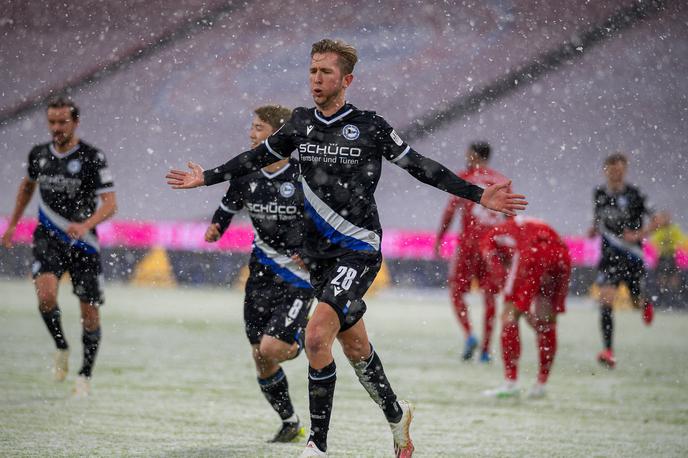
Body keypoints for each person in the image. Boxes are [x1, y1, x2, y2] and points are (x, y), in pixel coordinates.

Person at [166, 38, 527, 457]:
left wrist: (477, 195)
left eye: (326, 73)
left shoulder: (371, 126)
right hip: (318, 256)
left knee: (317, 337)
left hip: (358, 250)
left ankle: (317, 446)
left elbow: (421, 166)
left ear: (347, 79)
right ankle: (396, 413)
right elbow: (252, 159)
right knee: (355, 347)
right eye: (312, 71)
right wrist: (206, 177)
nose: (316, 80)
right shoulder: (300, 124)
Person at [204, 105, 313, 442]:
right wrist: (216, 227)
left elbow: (325, 219)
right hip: (262, 271)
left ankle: (305, 339)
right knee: (259, 355)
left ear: (278, 135)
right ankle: (290, 421)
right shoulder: (247, 171)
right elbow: (228, 205)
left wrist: (312, 250)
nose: (251, 135)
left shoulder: (304, 174)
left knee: (271, 348)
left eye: (259, 128)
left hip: (298, 276)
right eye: (251, 128)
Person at [1, 97, 117, 397]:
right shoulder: (39, 155)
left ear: (75, 122)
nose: (56, 128)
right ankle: (61, 346)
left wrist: (86, 224)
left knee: (89, 314)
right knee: (45, 297)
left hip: (83, 244)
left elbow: (111, 204)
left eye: (62, 122)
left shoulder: (92, 157)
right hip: (49, 238)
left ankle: (85, 376)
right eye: (52, 122)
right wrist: (13, 223)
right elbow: (27, 186)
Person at [479, 216, 571, 399]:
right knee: (546, 321)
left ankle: (511, 382)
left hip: (533, 253)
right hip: (561, 254)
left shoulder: (491, 236)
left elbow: (499, 273)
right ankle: (541, 384)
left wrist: (518, 305)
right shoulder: (526, 224)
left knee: (508, 316)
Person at [434, 141, 507, 362]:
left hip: (469, 244)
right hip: (492, 246)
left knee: (456, 290)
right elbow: (511, 216)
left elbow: (450, 212)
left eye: (468, 154)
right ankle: (485, 350)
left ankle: (469, 334)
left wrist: (440, 239)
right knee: (490, 297)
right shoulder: (502, 181)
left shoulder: (464, 177)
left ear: (474, 155)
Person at [589, 153, 654, 369]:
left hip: (632, 257)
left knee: (635, 302)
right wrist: (593, 228)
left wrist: (639, 234)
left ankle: (645, 304)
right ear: (605, 170)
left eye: (620, 170)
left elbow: (659, 218)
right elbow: (599, 219)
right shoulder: (599, 193)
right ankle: (608, 350)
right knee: (605, 301)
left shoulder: (635, 194)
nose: (616, 173)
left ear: (625, 171)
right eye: (612, 169)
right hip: (609, 258)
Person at [650, 211, 685, 307]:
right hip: (662, 258)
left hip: (672, 257)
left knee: (674, 280)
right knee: (662, 280)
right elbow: (654, 243)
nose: (664, 220)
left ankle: (673, 301)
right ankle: (663, 301)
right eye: (662, 218)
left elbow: (680, 241)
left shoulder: (674, 229)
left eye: (665, 218)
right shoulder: (658, 230)